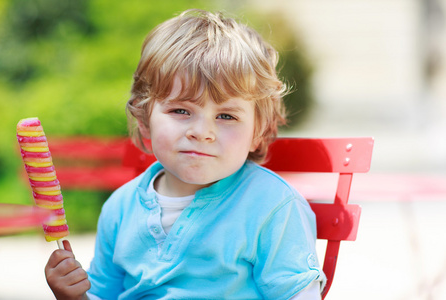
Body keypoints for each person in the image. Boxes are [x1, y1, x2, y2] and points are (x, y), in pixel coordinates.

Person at [45, 9, 326, 300]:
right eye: (181, 111)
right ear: (144, 119)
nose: (202, 132)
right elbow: (102, 294)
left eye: (226, 116)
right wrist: (75, 296)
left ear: (258, 131)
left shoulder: (272, 206)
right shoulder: (120, 208)